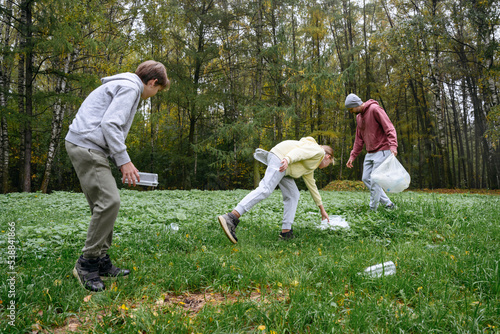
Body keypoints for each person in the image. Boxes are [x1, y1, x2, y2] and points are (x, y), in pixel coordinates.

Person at [65, 60, 170, 292]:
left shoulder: (124, 83)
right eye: (156, 91)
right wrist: (124, 161)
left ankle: (100, 260)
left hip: (85, 144)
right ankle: (87, 263)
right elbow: (110, 124)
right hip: (87, 145)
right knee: (109, 202)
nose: (152, 95)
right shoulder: (131, 88)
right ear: (152, 82)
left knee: (103, 205)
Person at [218, 137, 333, 243]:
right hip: (282, 158)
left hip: (284, 164)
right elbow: (299, 153)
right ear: (328, 157)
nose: (327, 165)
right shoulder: (318, 152)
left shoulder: (311, 165)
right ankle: (231, 217)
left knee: (293, 195)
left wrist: (322, 209)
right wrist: (288, 159)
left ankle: (286, 233)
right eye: (330, 163)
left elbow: (312, 186)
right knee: (265, 189)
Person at [345, 93, 397, 211]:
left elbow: (389, 127)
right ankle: (388, 204)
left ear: (356, 104)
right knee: (366, 178)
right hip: (370, 152)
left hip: (383, 149)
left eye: (351, 108)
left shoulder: (375, 109)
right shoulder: (359, 117)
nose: (351, 111)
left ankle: (372, 209)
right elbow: (359, 139)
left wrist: (393, 145)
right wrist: (352, 156)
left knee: (375, 180)